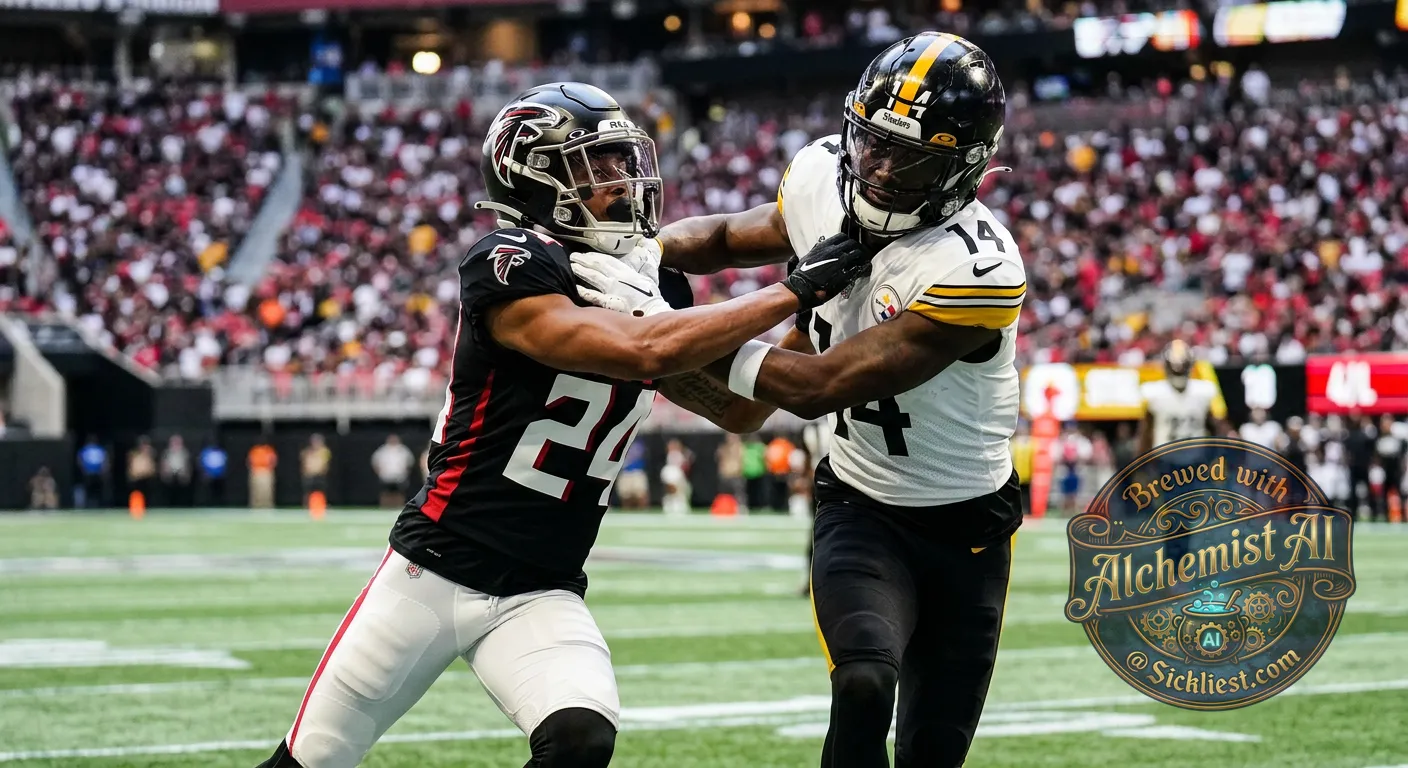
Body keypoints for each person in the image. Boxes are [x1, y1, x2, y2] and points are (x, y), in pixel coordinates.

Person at [255, 81, 870, 768]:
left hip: (542, 586)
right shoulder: (510, 263)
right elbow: (644, 349)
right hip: (433, 572)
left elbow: (738, 409)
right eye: (596, 164)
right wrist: (793, 289)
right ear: (534, 178)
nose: (620, 179)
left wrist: (821, 319)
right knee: (310, 762)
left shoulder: (649, 283)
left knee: (580, 739)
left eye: (620, 160)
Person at [615, 33, 1024, 767]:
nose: (884, 169)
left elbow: (820, 385)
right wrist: (635, 255)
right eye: (873, 144)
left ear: (963, 167)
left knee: (934, 747)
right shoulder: (822, 178)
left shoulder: (977, 267)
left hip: (967, 524)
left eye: (914, 157)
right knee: (864, 682)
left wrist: (670, 336)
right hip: (860, 503)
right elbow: (721, 236)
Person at [1137, 340, 1226, 453]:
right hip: (1169, 459)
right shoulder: (1154, 393)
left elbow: (1216, 427)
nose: (1178, 370)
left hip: (1190, 459)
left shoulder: (1204, 391)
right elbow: (1146, 431)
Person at [371, 434, 416, 509]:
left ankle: (400, 507)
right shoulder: (383, 450)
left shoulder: (403, 450)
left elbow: (410, 462)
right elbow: (375, 462)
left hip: (399, 476)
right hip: (386, 476)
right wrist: (379, 473)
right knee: (385, 493)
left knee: (399, 493)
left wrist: (405, 473)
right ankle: (384, 507)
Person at [661, 439, 693, 516]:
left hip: (679, 477)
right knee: (673, 494)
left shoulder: (681, 455)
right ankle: (672, 507)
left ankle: (681, 507)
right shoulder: (669, 465)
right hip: (673, 474)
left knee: (685, 492)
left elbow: (686, 467)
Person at [615, 440, 650, 509]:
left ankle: (644, 512)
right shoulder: (621, 442)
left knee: (640, 494)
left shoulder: (640, 442)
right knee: (625, 495)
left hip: (638, 471)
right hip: (625, 472)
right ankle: (626, 513)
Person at [160, 436, 193, 508]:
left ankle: (182, 506)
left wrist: (187, 475)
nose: (176, 444)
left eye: (178, 442)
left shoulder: (184, 452)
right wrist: (164, 474)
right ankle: (169, 506)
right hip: (170, 476)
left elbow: (187, 465)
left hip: (181, 476)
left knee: (182, 494)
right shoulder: (166, 453)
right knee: (169, 494)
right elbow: (163, 464)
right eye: (174, 442)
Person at [76, 436, 108, 508]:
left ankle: (96, 504)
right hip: (91, 473)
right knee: (90, 491)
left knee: (95, 491)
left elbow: (79, 460)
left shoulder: (96, 449)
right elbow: (80, 460)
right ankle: (90, 505)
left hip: (93, 473)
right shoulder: (88, 449)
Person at [301, 435, 332, 506]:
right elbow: (304, 462)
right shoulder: (307, 452)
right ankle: (306, 505)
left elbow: (325, 463)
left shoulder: (324, 451)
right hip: (309, 475)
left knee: (321, 491)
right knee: (308, 492)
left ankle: (322, 504)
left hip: (320, 475)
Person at [127, 437, 157, 505]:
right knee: (136, 494)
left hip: (147, 478)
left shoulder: (150, 454)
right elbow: (131, 467)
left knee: (148, 494)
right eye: (143, 444)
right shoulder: (133, 454)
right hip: (137, 478)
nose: (144, 446)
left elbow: (152, 467)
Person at [248, 441, 277, 509]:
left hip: (266, 471)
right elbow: (249, 460)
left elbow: (273, 460)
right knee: (256, 490)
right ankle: (255, 506)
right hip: (256, 471)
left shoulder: (268, 450)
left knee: (267, 490)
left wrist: (269, 469)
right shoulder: (255, 450)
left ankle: (267, 506)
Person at [199, 441, 228, 506]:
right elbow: (203, 463)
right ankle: (208, 503)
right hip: (208, 476)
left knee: (218, 492)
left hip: (219, 476)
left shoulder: (221, 452)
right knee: (208, 492)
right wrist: (206, 473)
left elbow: (224, 464)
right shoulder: (206, 452)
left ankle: (219, 503)